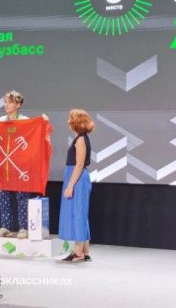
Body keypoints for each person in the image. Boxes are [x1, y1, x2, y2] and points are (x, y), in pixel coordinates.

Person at [0, 90, 49, 239]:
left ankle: (24, 228)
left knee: (22, 198)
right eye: (5, 102)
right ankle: (6, 226)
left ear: (18, 104)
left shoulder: (25, 120)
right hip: (4, 167)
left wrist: (43, 122)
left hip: (20, 167)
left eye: (10, 102)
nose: (6, 105)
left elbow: (36, 134)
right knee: (3, 196)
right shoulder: (1, 120)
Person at [58, 109, 94, 263]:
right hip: (76, 178)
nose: (68, 121)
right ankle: (85, 251)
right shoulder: (80, 138)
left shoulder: (80, 140)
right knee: (80, 213)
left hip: (77, 179)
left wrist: (70, 185)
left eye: (70, 118)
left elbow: (79, 164)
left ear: (76, 122)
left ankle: (78, 252)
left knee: (78, 213)